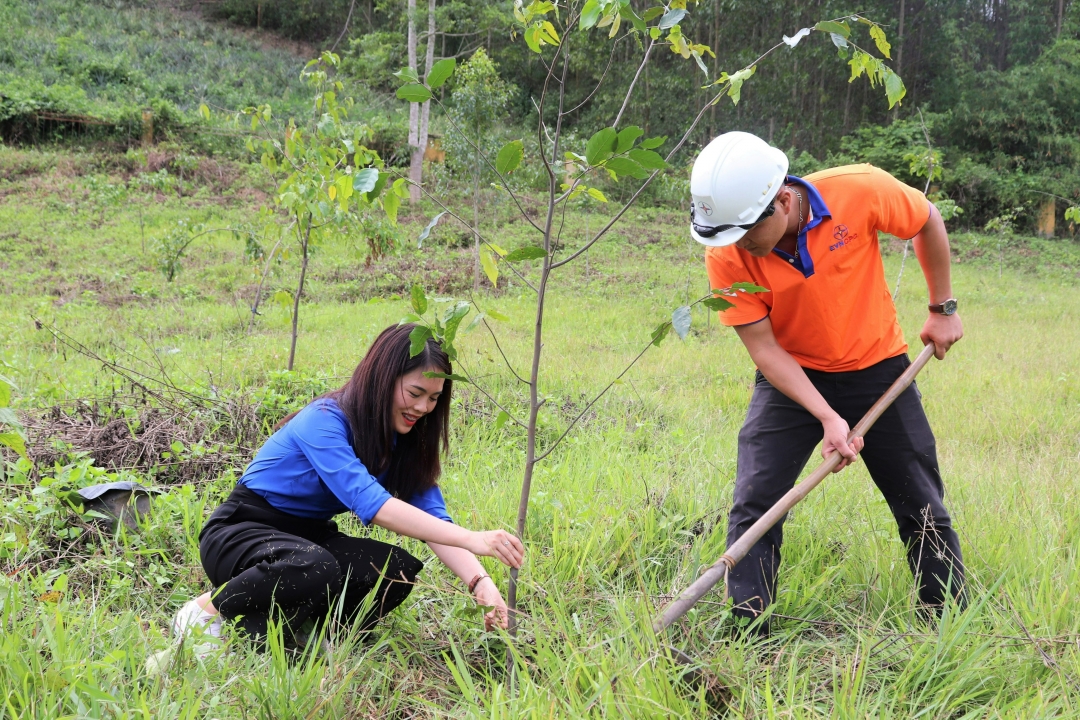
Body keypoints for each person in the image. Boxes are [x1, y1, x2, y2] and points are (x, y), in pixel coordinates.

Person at [691, 131, 965, 634]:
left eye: (748, 233)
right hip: (791, 379)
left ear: (782, 200)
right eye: (729, 237)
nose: (740, 247)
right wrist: (825, 415)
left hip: (878, 365)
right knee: (757, 501)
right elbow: (765, 348)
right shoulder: (727, 252)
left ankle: (947, 620)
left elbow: (926, 219)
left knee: (920, 499)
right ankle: (749, 632)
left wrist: (942, 308)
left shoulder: (859, 189)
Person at [172, 324, 523, 650]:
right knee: (314, 565)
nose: (423, 408)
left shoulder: (405, 442)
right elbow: (371, 503)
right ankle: (204, 612)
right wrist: (474, 537)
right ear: (384, 378)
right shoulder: (324, 419)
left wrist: (481, 583)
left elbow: (434, 522)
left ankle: (309, 632)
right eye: (416, 392)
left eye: (433, 398)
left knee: (394, 571)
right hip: (242, 531)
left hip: (309, 539)